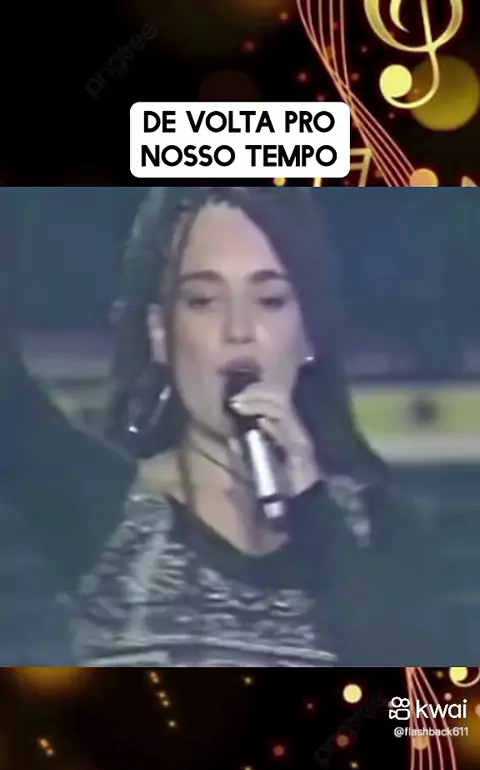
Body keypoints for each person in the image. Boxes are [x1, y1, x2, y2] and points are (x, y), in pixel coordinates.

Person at [1, 187, 450, 666]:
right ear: (160, 333)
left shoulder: (384, 529)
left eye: (270, 300)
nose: (238, 330)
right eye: (203, 300)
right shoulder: (99, 507)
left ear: (307, 336)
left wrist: (312, 507)